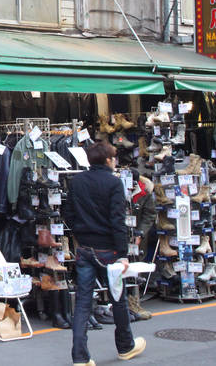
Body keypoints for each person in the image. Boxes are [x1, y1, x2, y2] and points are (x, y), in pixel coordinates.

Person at [65, 141, 146, 366]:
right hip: (109, 250)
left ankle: (80, 356)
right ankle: (125, 345)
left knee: (82, 302)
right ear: (108, 160)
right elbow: (117, 220)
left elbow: (68, 212)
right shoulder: (113, 183)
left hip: (85, 248)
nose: (115, 161)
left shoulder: (77, 181)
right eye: (114, 157)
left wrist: (80, 232)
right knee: (118, 298)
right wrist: (122, 252)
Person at [128, 169, 156, 320]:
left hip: (137, 234)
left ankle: (134, 302)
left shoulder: (145, 193)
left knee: (136, 266)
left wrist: (140, 233)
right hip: (121, 234)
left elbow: (150, 215)